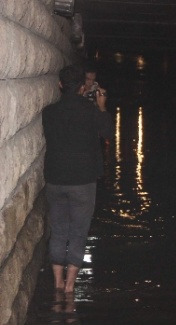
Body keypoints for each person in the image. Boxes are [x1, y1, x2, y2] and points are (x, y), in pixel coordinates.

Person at [42, 64, 113, 293]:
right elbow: (108, 133)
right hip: (83, 181)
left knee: (59, 229)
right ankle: (70, 287)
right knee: (79, 231)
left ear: (61, 85)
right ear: (83, 87)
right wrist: (102, 107)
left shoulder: (49, 112)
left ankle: (57, 283)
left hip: (55, 179)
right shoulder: (91, 111)